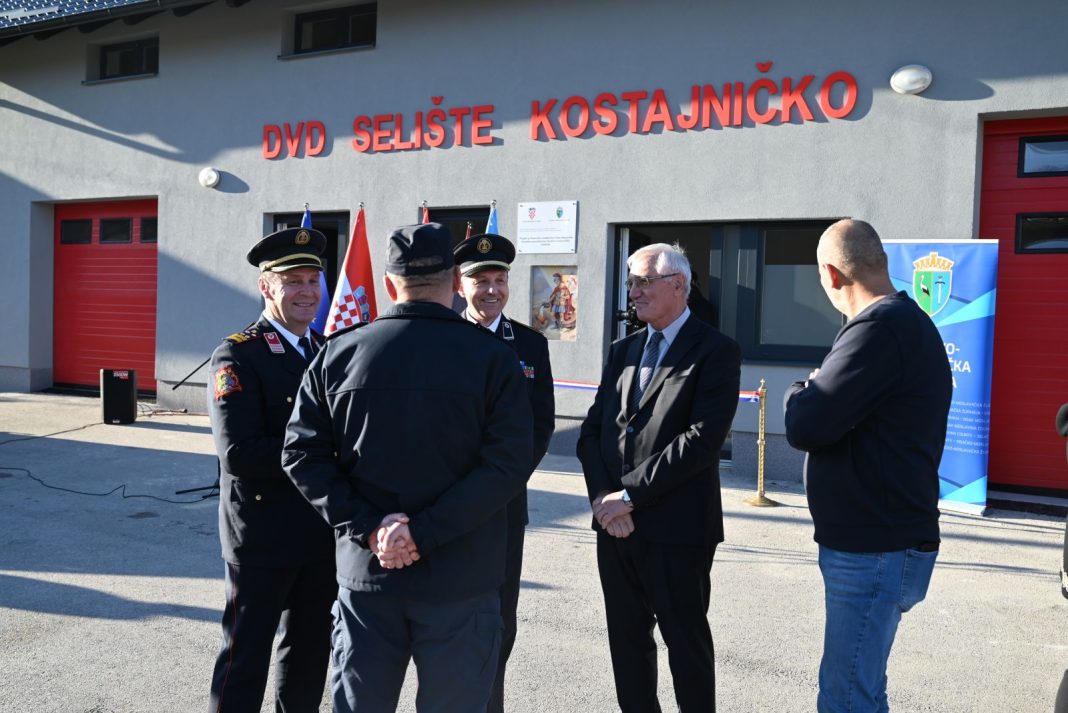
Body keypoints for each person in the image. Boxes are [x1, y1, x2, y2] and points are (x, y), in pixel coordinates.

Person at [281, 223, 533, 713]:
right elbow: (506, 465)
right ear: (455, 280)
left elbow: (301, 455)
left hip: (369, 576)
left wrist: (373, 528)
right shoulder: (492, 357)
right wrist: (424, 532)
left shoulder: (338, 353)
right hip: (461, 578)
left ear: (388, 284)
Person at [783, 219, 952, 713]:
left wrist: (799, 389)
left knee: (845, 698)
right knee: (864, 691)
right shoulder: (904, 323)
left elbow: (807, 424)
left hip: (873, 548)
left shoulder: (878, 329)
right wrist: (815, 390)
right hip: (881, 540)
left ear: (832, 275)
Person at [577, 242, 741, 713]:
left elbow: (701, 441)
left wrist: (628, 496)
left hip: (678, 529)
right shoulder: (623, 350)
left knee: (685, 643)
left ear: (678, 285)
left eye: (643, 282)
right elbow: (593, 432)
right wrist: (603, 499)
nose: (633, 292)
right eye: (631, 282)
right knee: (627, 642)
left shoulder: (716, 351)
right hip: (614, 526)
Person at [206, 226, 337, 712]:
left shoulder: (326, 350)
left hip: (318, 530)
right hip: (262, 534)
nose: (307, 292)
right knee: (245, 658)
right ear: (266, 286)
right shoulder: (238, 353)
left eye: (313, 281)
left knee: (308, 656)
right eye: (293, 281)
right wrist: (319, 453)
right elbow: (239, 453)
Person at [452, 232, 555, 713]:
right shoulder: (441, 339)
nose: (492, 290)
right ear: (460, 285)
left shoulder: (530, 344)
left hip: (504, 506)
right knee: (446, 618)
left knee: (499, 617)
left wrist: (499, 483)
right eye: (480, 281)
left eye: (499, 280)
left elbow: (541, 426)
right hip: (447, 505)